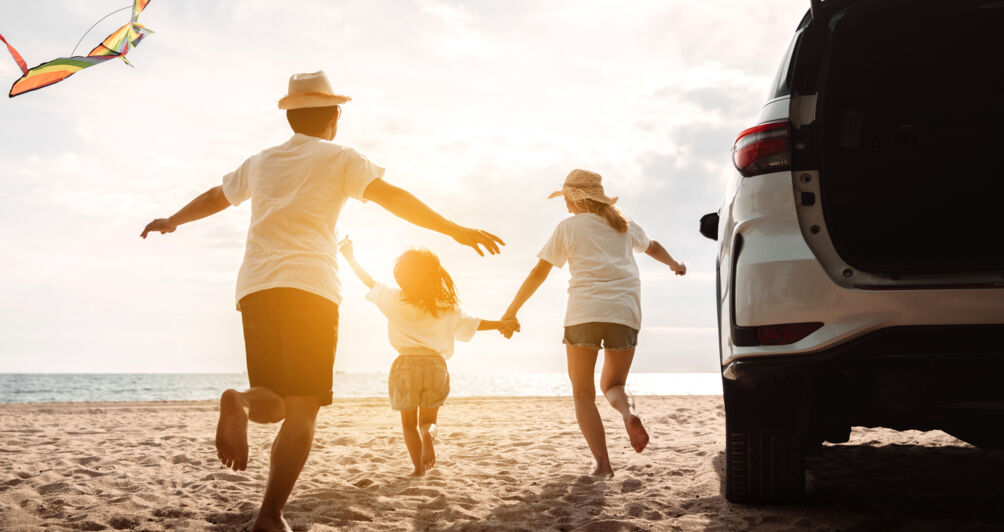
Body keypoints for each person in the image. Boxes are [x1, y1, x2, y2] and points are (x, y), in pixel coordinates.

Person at [139, 71, 504, 532]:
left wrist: (173, 220)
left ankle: (242, 405)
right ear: (334, 117)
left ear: (290, 117)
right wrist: (453, 229)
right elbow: (393, 199)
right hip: (311, 289)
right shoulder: (342, 159)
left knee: (272, 401)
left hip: (257, 287)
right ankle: (269, 515)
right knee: (303, 406)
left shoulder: (261, 162)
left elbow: (216, 197)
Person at [500, 169, 686, 477]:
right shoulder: (625, 225)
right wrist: (674, 264)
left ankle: (602, 464)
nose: (565, 205)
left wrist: (511, 311)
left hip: (584, 314)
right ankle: (629, 412)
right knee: (614, 385)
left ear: (575, 198)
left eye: (566, 199)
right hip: (624, 313)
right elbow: (652, 246)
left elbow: (539, 273)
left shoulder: (568, 227)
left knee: (583, 394)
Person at [338, 237, 517, 476]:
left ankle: (419, 469)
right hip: (435, 365)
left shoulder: (394, 299)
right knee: (428, 421)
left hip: (405, 365)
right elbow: (474, 323)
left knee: (407, 423)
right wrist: (501, 324)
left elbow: (369, 281)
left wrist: (350, 257)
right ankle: (428, 434)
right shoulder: (445, 306)